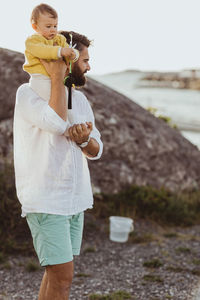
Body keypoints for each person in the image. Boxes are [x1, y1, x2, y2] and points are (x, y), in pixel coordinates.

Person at [13, 30, 103, 300]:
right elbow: (55, 121)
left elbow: (96, 149)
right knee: (63, 278)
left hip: (75, 200)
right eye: (84, 59)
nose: (89, 66)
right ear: (68, 58)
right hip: (46, 201)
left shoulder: (82, 100)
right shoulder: (27, 94)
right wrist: (55, 75)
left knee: (55, 275)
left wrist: (85, 139)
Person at [23, 3, 79, 77]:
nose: (53, 30)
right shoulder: (33, 40)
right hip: (40, 76)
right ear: (35, 27)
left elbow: (67, 50)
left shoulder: (60, 39)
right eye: (48, 26)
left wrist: (73, 54)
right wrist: (60, 51)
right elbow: (43, 51)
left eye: (55, 26)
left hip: (57, 75)